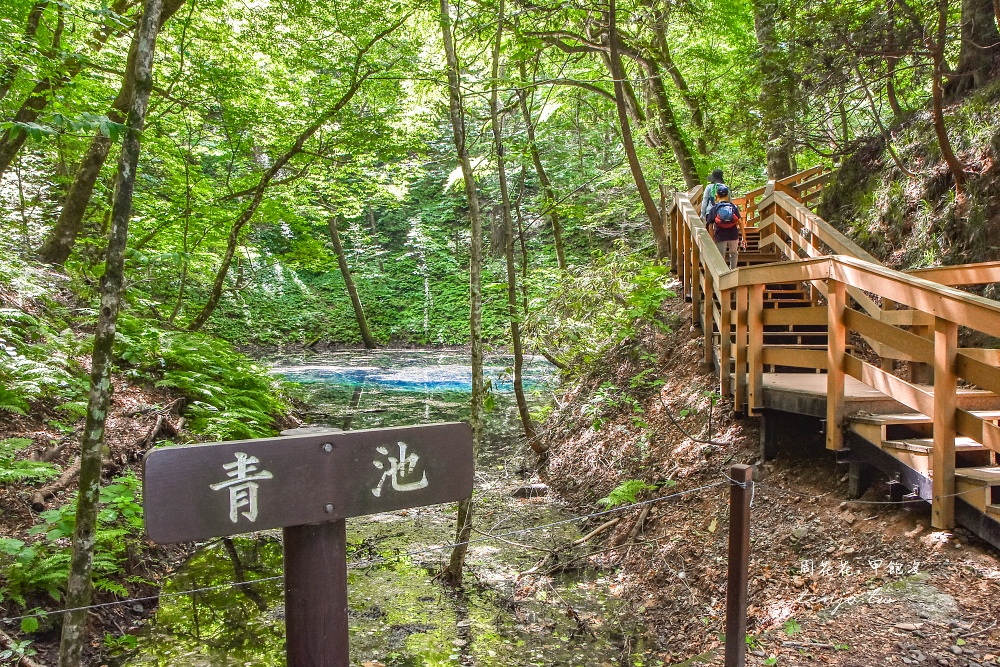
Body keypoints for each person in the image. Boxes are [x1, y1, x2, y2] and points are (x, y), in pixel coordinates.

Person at [706, 185, 746, 270]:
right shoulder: (733, 207)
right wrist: (744, 237)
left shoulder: (714, 208)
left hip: (720, 235)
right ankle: (733, 271)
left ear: (717, 196)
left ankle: (722, 274)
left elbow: (710, 226)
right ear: (727, 196)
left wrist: (712, 238)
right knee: (734, 254)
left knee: (720, 257)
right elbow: (740, 222)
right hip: (733, 234)